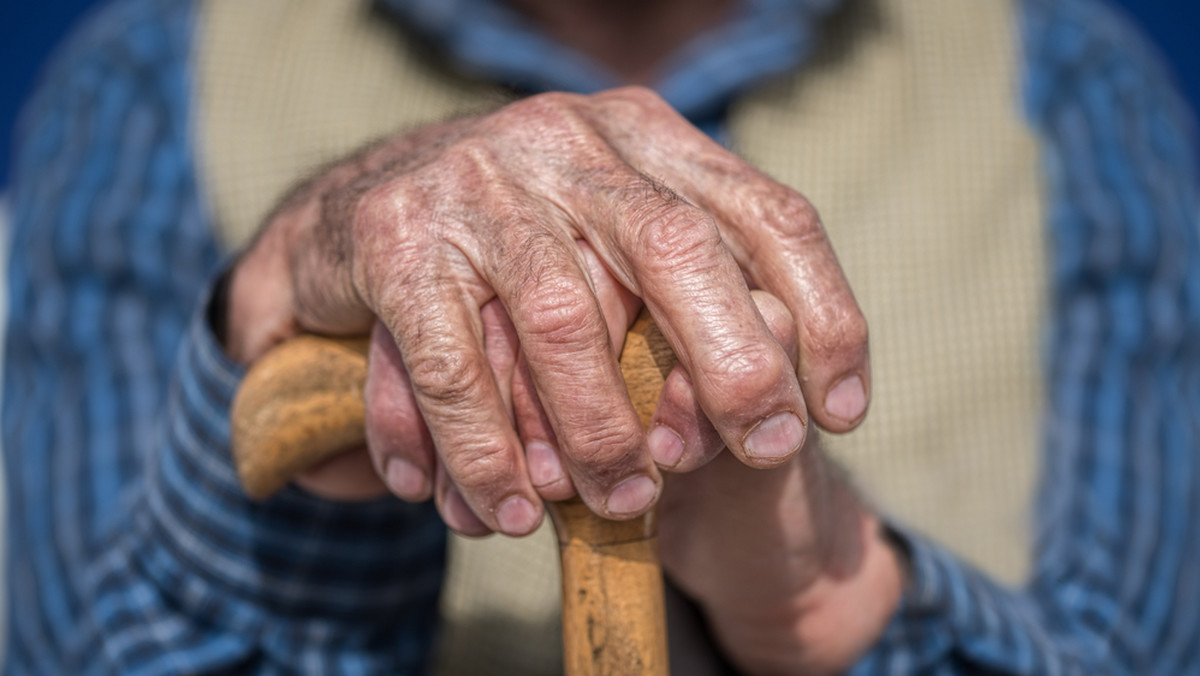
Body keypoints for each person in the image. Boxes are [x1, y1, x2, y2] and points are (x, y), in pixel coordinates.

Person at [4, 0, 1198, 674]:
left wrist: (827, 603)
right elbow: (76, 648)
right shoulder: (153, 77)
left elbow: (1138, 647)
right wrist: (329, 275)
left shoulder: (1071, 87)